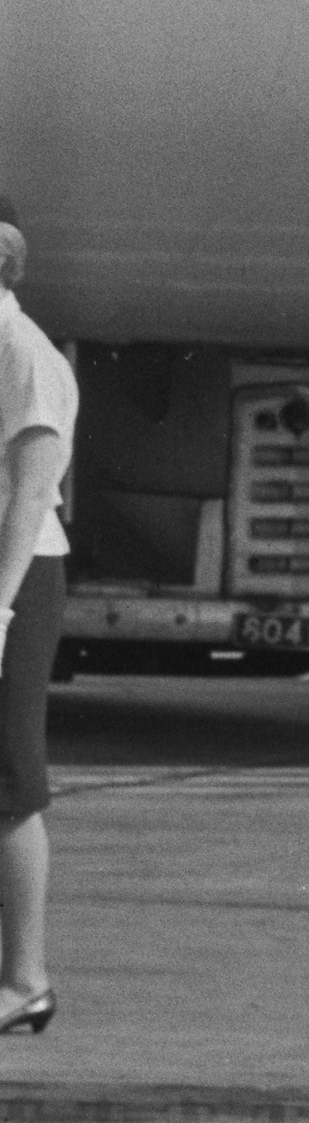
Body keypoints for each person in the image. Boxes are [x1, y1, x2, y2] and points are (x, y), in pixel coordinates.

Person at [0, 207, 71, 1039]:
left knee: (11, 779)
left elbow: (29, 493)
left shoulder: (24, 356)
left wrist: (1, 605)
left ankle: (26, 979)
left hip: (18, 575)